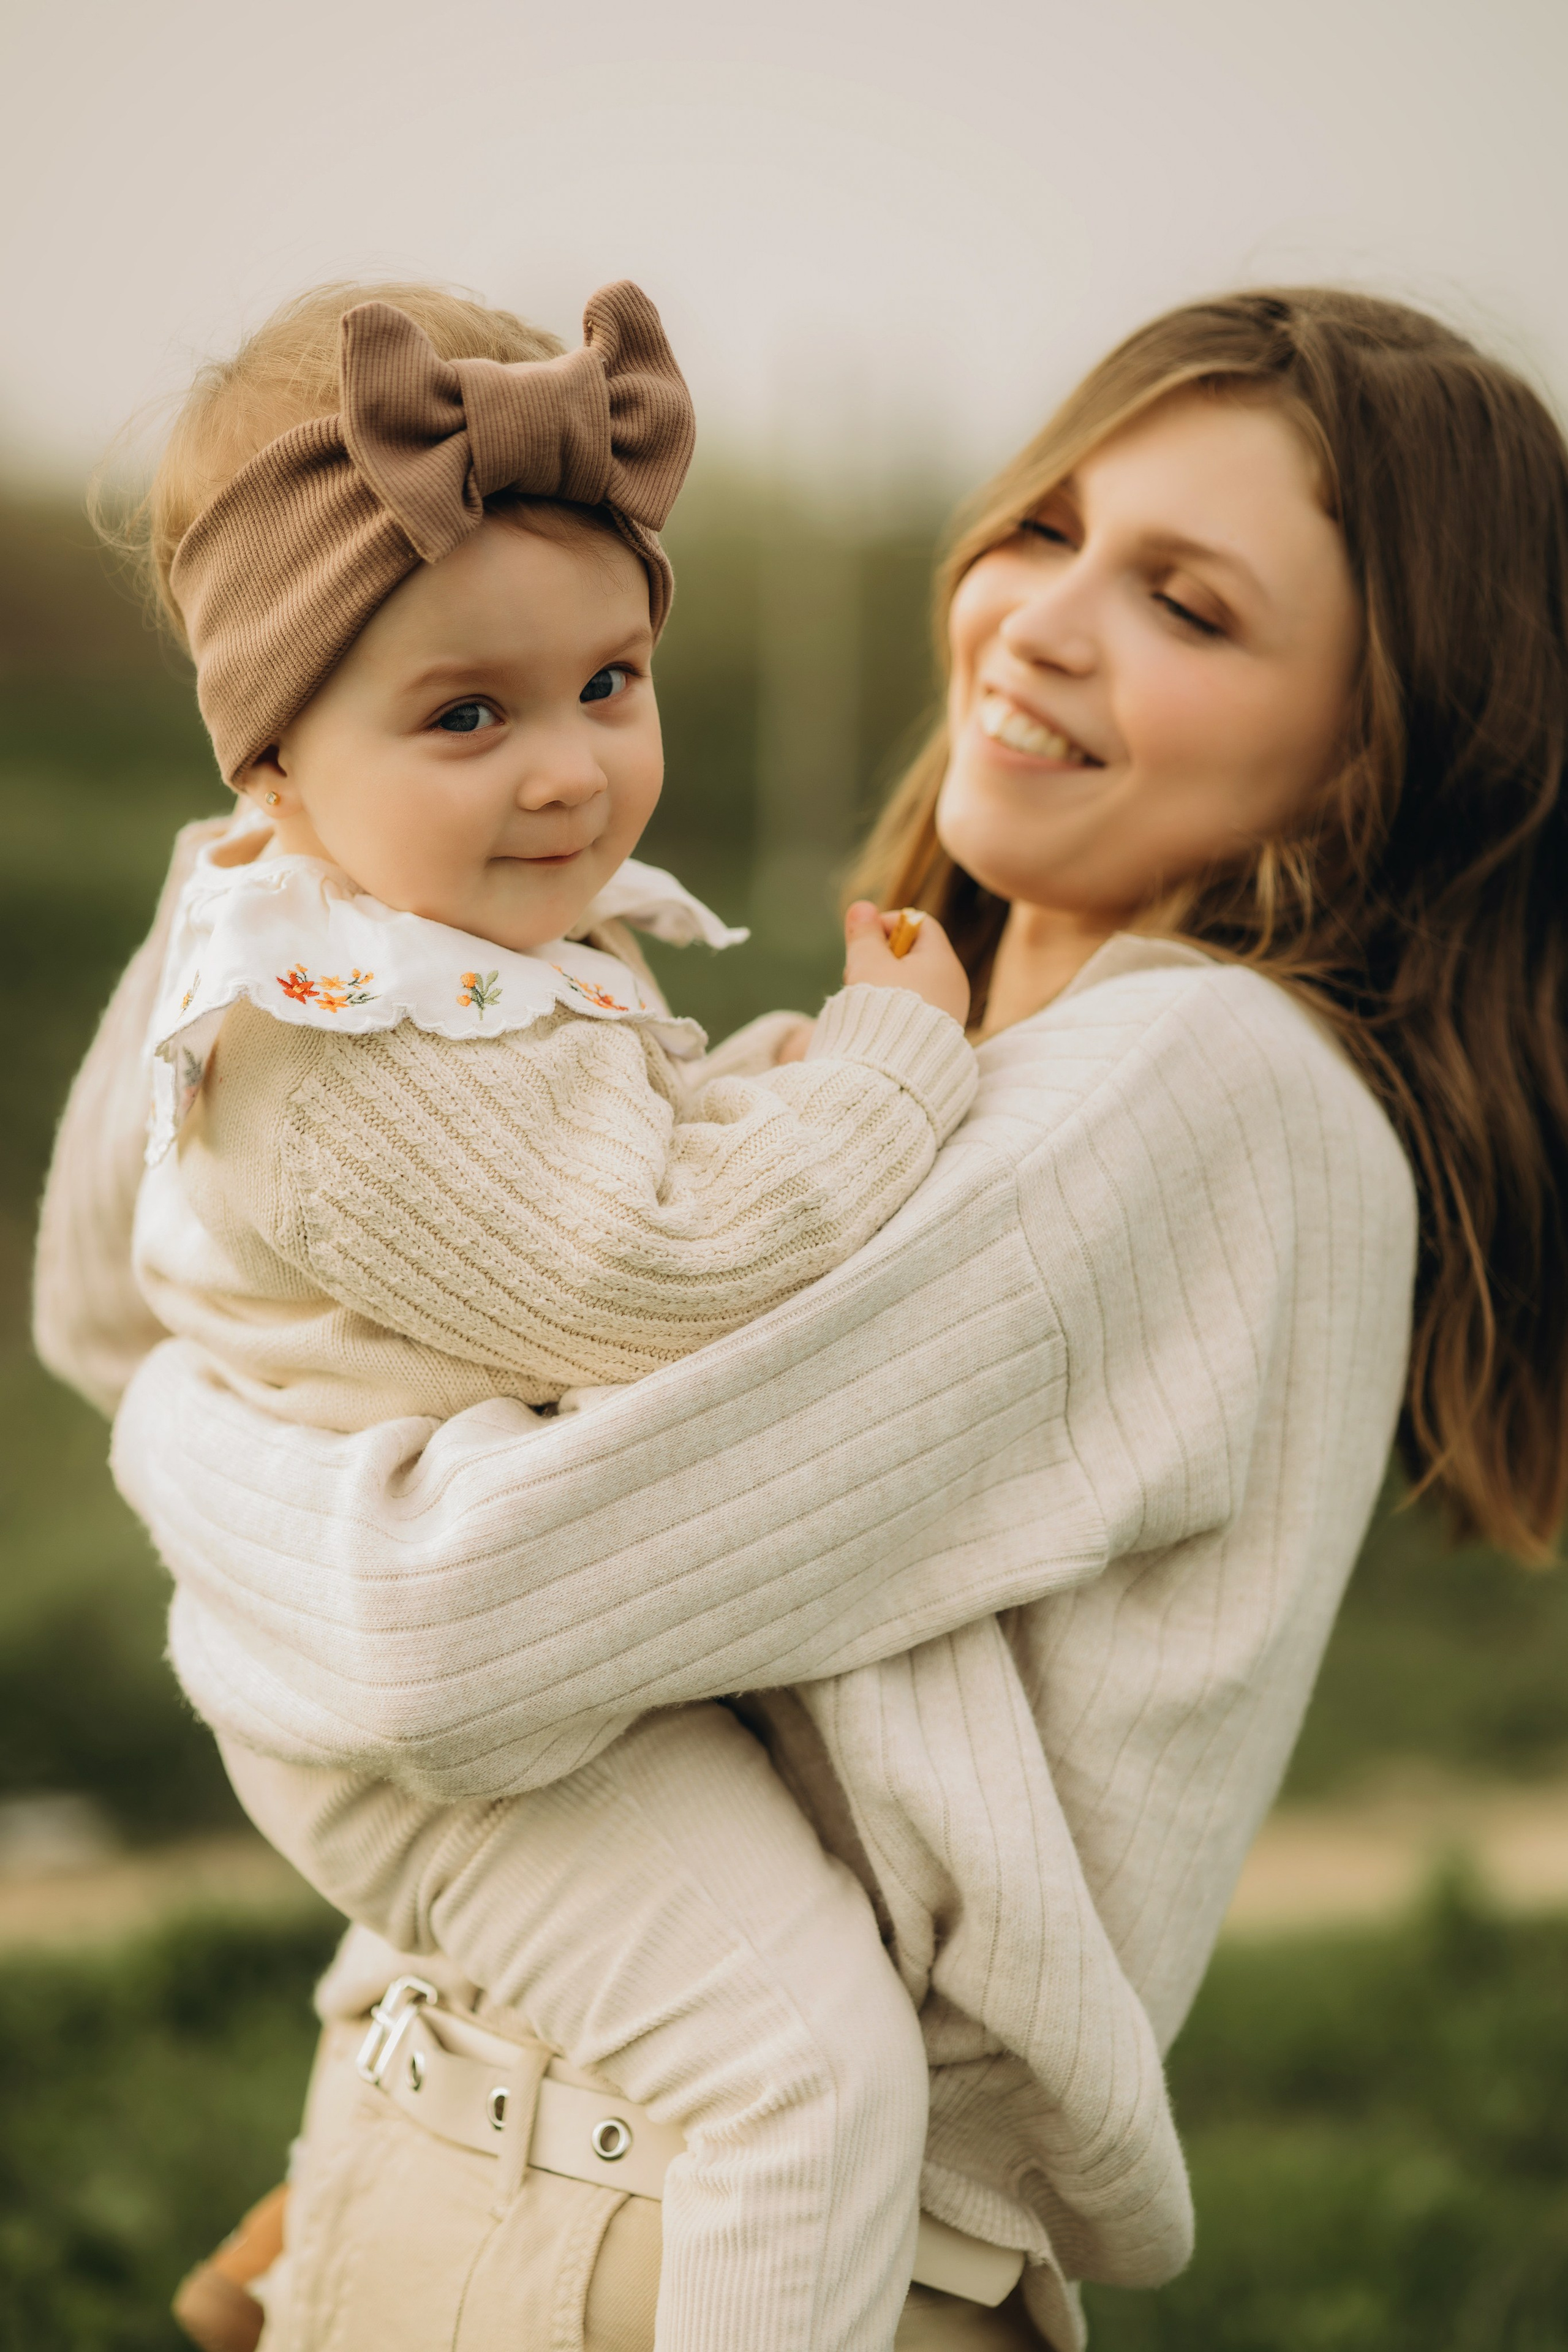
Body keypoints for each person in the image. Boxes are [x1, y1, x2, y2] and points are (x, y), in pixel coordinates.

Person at [37, 285, 1568, 2350]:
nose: (1043, 620)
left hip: (721, 2246)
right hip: (483, 2183)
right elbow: (633, 1740)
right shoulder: (824, 1071)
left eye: (1190, 608)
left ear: (1383, 748)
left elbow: (446, 1642)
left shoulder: (1205, 1100)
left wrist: (175, 1433)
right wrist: (289, 860)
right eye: (1047, 530)